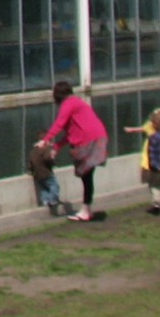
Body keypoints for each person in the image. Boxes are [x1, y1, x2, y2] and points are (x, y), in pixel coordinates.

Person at [37, 81, 108, 222]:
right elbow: (71, 133)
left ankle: (86, 210)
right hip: (97, 139)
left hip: (88, 142)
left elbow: (59, 124)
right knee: (86, 176)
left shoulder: (68, 104)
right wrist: (56, 146)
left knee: (85, 176)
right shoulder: (76, 102)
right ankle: (86, 209)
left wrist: (45, 140)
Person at [27, 137, 62, 216]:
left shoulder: (32, 151)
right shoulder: (46, 148)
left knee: (44, 188)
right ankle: (52, 201)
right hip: (46, 172)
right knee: (54, 186)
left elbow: (30, 163)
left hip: (37, 174)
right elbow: (47, 158)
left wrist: (31, 170)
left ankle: (45, 201)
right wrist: (52, 160)